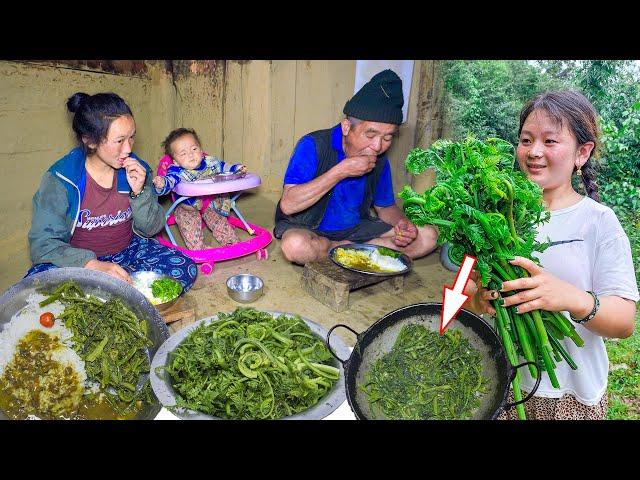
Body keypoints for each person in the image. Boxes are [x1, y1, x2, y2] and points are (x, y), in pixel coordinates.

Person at [466, 90, 638, 420]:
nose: (534, 152)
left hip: (569, 395)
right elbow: (462, 291)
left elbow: (624, 322)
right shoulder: (491, 217)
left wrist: (572, 298)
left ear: (582, 152)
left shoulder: (599, 222)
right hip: (501, 384)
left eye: (550, 141)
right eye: (526, 140)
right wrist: (478, 300)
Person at [27, 92, 197, 291]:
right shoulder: (61, 179)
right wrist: (92, 265)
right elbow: (43, 244)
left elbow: (152, 228)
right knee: (37, 287)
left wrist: (139, 193)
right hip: (77, 261)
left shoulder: (137, 171)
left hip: (128, 253)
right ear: (90, 140)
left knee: (184, 268)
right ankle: (123, 296)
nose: (128, 149)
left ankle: (118, 295)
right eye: (119, 141)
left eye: (131, 138)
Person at [274, 69, 438, 264]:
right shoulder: (313, 145)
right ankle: (354, 252)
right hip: (309, 229)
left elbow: (385, 208)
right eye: (370, 135)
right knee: (295, 246)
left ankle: (344, 252)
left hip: (357, 231)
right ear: (346, 127)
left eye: (387, 137)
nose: (377, 146)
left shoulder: (379, 158)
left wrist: (401, 224)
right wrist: (341, 170)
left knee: (428, 236)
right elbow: (288, 204)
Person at [153, 128, 247, 250]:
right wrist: (162, 183)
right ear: (175, 162)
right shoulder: (176, 171)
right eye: (183, 153)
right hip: (187, 207)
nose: (191, 154)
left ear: (201, 151)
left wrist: (236, 168)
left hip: (209, 202)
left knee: (219, 221)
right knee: (190, 228)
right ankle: (199, 250)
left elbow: (224, 167)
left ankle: (233, 244)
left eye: (194, 149)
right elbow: (169, 181)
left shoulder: (210, 163)